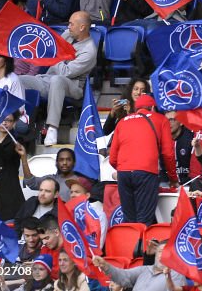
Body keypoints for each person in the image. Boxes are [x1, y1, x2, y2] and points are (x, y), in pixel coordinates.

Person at [19, 13, 97, 147]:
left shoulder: (90, 50)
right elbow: (52, 47)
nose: (68, 27)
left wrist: (56, 57)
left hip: (73, 86)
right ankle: (21, 117)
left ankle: (52, 128)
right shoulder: (68, 34)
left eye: (72, 24)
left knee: (58, 80)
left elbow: (66, 72)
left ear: (82, 27)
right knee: (19, 80)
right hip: (48, 79)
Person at [108, 93, 178, 225]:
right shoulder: (161, 119)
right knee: (144, 220)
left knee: (129, 220)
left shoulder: (123, 122)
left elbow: (112, 158)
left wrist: (125, 167)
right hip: (146, 173)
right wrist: (173, 179)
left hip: (124, 173)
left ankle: (130, 244)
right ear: (152, 108)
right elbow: (168, 153)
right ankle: (141, 246)